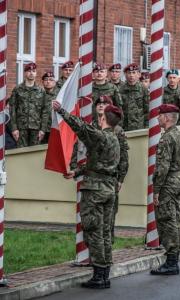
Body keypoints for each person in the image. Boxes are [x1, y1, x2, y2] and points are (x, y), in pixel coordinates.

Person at [52, 100, 122, 289]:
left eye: (100, 116)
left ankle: (99, 275)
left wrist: (62, 111)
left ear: (103, 119)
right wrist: (77, 172)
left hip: (95, 190)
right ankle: (105, 273)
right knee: (105, 232)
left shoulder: (101, 136)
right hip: (108, 188)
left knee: (94, 232)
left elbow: (81, 127)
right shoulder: (114, 138)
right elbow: (98, 164)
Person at [151, 104, 180, 276]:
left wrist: (157, 190)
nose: (158, 118)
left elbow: (162, 167)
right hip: (179, 180)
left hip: (167, 182)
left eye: (159, 115)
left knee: (167, 221)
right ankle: (173, 258)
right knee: (175, 219)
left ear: (167, 117)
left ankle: (172, 262)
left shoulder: (166, 138)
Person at [94, 95, 129, 242]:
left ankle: (108, 241)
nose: (101, 106)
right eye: (99, 104)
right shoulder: (90, 126)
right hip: (93, 175)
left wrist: (121, 178)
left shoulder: (117, 130)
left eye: (105, 103)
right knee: (93, 213)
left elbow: (123, 156)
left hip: (111, 177)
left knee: (110, 211)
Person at [9, 62, 49, 147]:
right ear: (25, 73)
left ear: (36, 73)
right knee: (21, 153)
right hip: (21, 128)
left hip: (36, 128)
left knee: (34, 154)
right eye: (29, 71)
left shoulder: (41, 91)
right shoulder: (17, 89)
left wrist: (43, 129)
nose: (31, 73)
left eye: (34, 71)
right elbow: (12, 109)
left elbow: (45, 111)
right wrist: (14, 128)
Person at [120, 63, 149, 131]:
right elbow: (117, 109)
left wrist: (147, 126)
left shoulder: (143, 89)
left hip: (139, 127)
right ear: (125, 74)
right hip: (124, 127)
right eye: (129, 73)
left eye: (134, 72)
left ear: (139, 74)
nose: (131, 75)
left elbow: (147, 110)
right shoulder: (120, 89)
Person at [42, 71, 59, 143]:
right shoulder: (38, 94)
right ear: (42, 82)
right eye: (46, 80)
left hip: (55, 128)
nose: (48, 82)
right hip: (41, 129)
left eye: (51, 79)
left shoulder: (59, 95)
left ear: (55, 82)